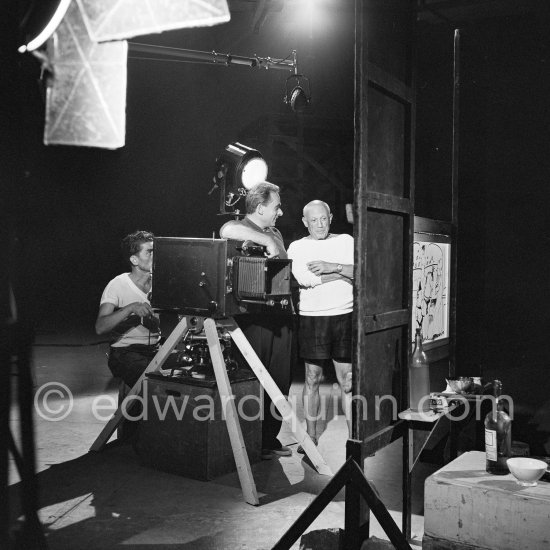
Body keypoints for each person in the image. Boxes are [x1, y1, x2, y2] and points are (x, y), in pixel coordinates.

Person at [220, 182, 292, 460]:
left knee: (279, 381)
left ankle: (268, 439)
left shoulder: (275, 231)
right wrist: (266, 242)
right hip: (252, 321)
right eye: (276, 207)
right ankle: (249, 442)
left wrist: (272, 238)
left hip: (281, 319)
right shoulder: (239, 228)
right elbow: (228, 230)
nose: (280, 212)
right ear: (261, 208)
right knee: (252, 381)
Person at [287, 200, 354, 451]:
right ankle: (310, 436)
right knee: (312, 377)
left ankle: (353, 439)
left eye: (323, 219)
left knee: (347, 380)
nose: (319, 225)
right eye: (313, 220)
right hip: (313, 318)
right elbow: (306, 280)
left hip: (345, 314)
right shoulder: (297, 247)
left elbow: (362, 271)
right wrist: (344, 271)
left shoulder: (347, 241)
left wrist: (330, 267)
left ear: (331, 217)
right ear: (305, 223)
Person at [95, 230, 161, 389]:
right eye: (149, 252)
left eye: (155, 251)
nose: (155, 256)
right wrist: (130, 308)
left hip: (156, 350)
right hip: (125, 353)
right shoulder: (118, 284)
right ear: (134, 259)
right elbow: (100, 327)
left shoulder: (160, 282)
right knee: (151, 384)